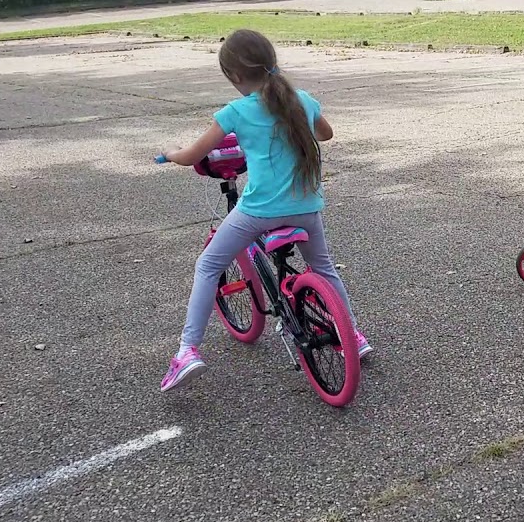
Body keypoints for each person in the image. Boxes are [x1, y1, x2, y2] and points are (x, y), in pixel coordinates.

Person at [157, 29, 371, 392]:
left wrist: (171, 153)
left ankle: (187, 351)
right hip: (307, 207)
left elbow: (194, 155)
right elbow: (326, 134)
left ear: (235, 77)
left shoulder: (235, 112)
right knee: (323, 267)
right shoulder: (301, 99)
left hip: (260, 212)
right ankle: (350, 333)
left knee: (208, 265)